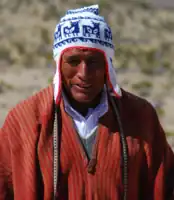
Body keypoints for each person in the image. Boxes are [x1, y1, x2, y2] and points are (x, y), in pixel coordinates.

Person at [0, 4, 174, 200]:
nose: (84, 74)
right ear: (59, 64)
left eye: (93, 62)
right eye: (73, 62)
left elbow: (165, 188)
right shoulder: (25, 122)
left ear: (108, 65)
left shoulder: (140, 117)